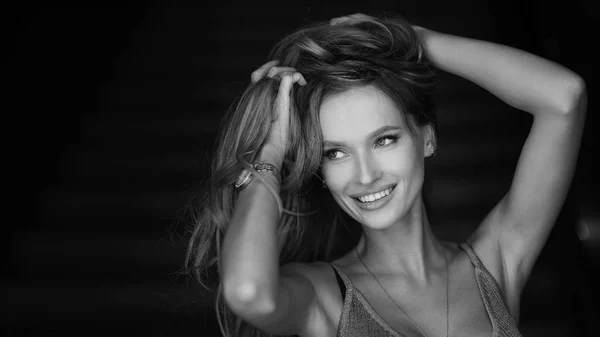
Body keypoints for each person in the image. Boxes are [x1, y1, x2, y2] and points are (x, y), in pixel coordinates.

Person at [185, 12, 587, 337]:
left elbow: (563, 97)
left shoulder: (496, 263)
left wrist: (413, 38)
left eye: (384, 140)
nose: (365, 175)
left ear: (426, 138)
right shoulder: (323, 296)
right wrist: (271, 152)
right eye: (336, 153)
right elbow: (247, 291)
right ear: (319, 170)